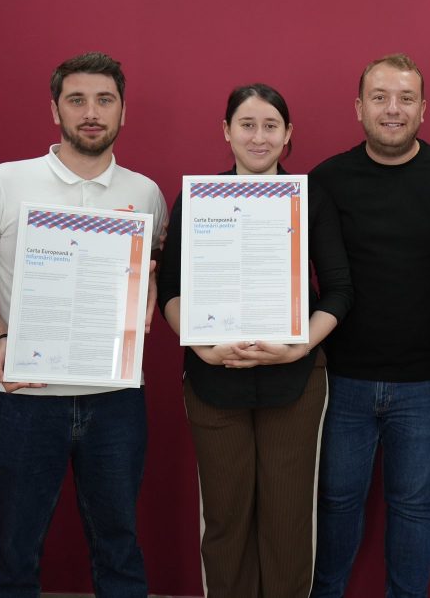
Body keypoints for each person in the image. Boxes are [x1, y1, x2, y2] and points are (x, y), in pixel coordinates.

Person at [0, 52, 167, 597]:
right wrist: (1, 336)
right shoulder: (6, 182)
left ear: (123, 111)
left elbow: (155, 276)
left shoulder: (146, 193)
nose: (91, 113)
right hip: (25, 398)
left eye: (104, 100)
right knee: (15, 552)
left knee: (120, 549)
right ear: (55, 109)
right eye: (77, 100)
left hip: (115, 399)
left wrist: (152, 288)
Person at [156, 84, 352, 598]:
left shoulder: (310, 198)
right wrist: (200, 345)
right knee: (225, 521)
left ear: (288, 134)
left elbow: (338, 290)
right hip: (213, 380)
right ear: (226, 131)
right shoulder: (198, 199)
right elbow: (170, 289)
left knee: (288, 523)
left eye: (270, 126)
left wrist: (300, 346)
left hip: (295, 381)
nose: (258, 137)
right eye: (247, 125)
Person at [309, 54, 430, 598]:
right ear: (359, 107)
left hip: (426, 380)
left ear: (423, 109)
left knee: (414, 506)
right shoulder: (326, 179)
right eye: (379, 97)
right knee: (335, 503)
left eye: (405, 98)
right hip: (342, 378)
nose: (392, 109)